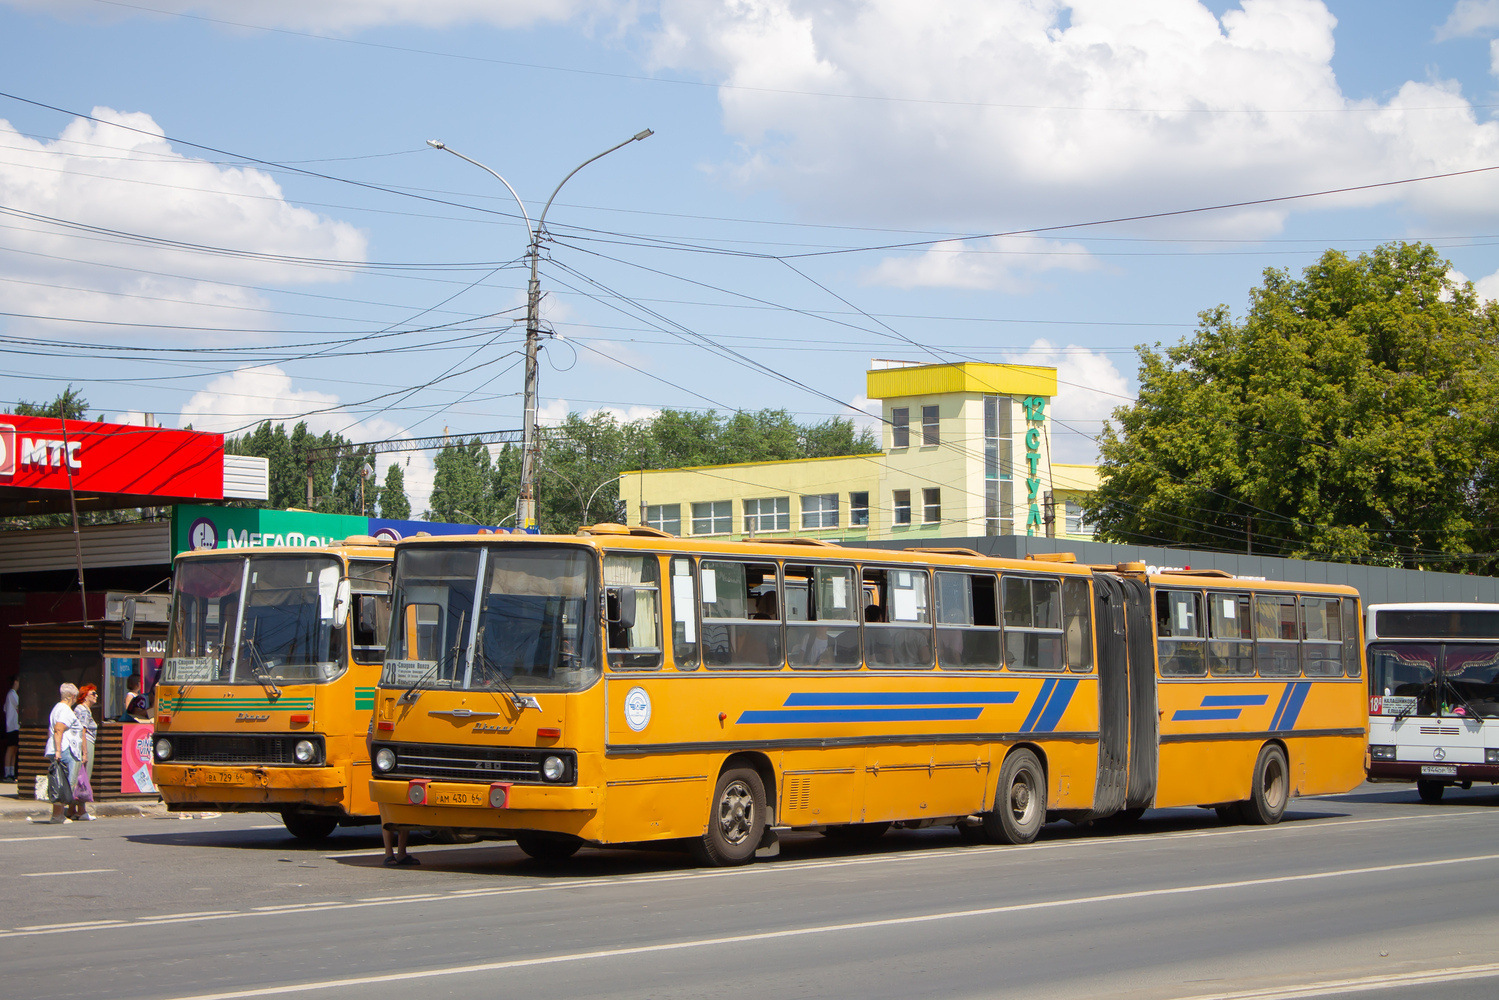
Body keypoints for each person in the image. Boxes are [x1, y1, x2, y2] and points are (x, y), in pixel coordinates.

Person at [366, 719, 417, 866]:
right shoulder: (381, 709)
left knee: (405, 810)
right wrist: (377, 764)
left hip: (404, 765)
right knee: (387, 812)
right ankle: (389, 854)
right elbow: (369, 738)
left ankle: (401, 852)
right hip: (388, 764)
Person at [38, 683, 81, 824]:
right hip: (65, 749)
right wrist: (58, 751)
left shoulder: (56, 708)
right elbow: (58, 729)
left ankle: (59, 814)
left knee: (59, 782)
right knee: (64, 783)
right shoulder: (66, 710)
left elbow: (51, 731)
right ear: (72, 697)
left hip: (57, 748)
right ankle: (58, 815)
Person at [68, 685, 99, 821]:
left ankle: (72, 809)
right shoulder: (83, 710)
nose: (96, 695)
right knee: (84, 777)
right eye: (93, 693)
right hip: (85, 743)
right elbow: (83, 731)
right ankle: (81, 810)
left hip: (80, 744)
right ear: (85, 695)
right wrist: (85, 752)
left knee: (78, 776)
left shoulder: (81, 710)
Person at [3, 677, 19, 781]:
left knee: (14, 749)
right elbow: (18, 705)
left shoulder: (12, 694)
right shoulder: (12, 694)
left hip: (14, 725)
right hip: (12, 726)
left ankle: (12, 772)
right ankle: (7, 773)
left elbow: (4, 708)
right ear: (15, 682)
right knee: (10, 748)